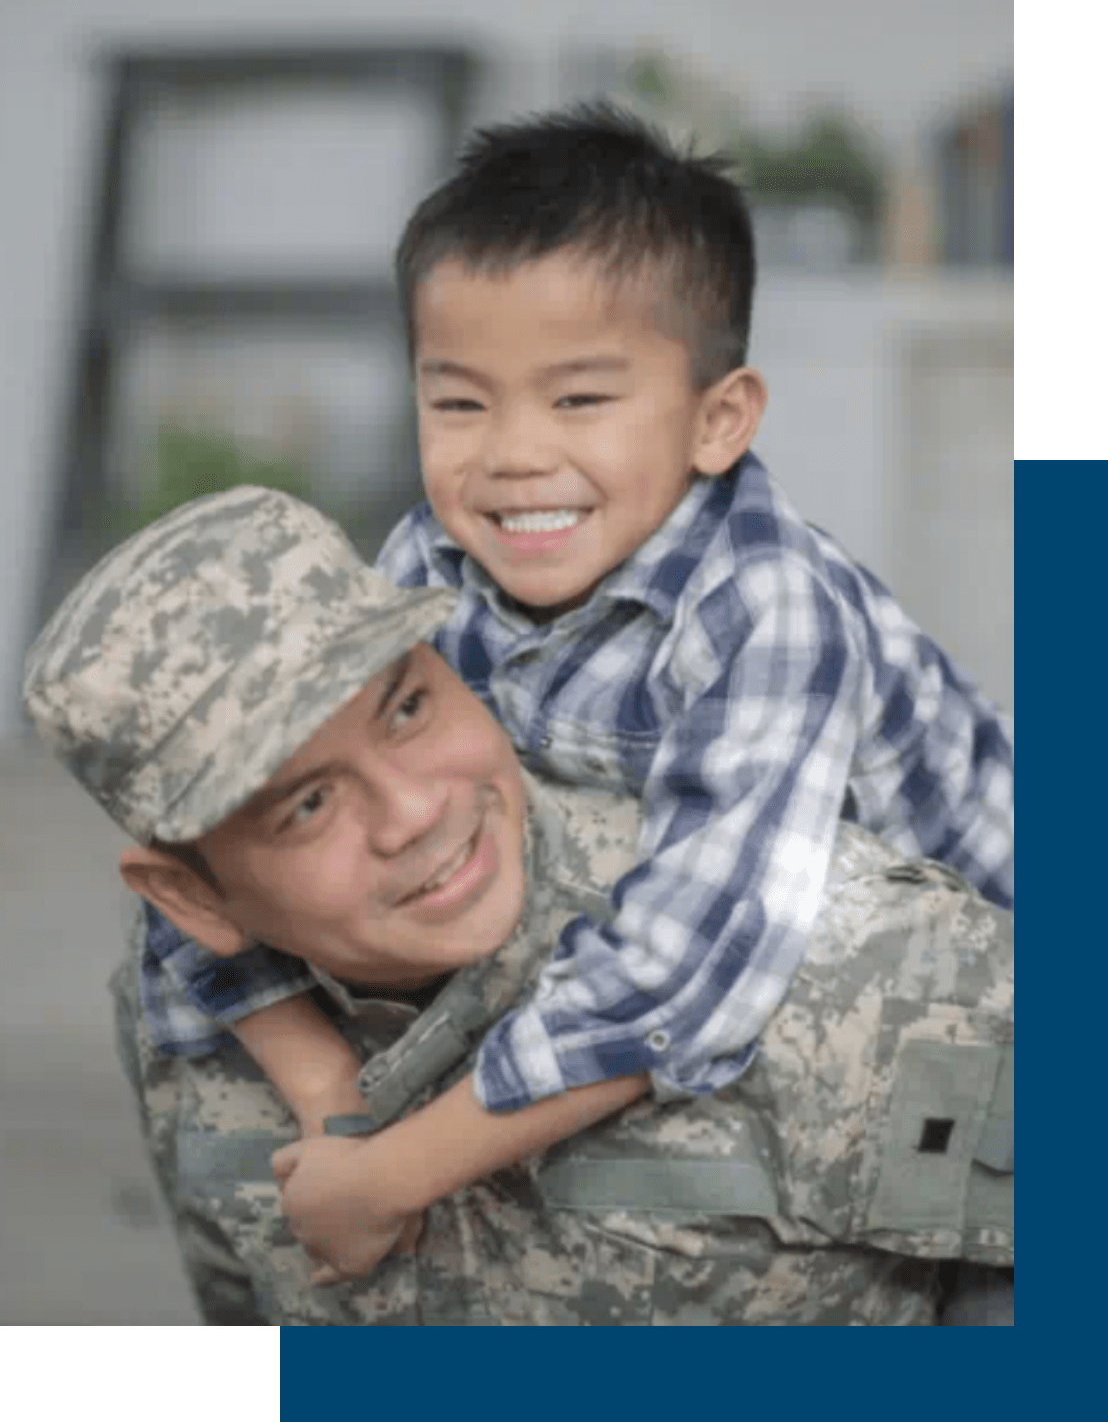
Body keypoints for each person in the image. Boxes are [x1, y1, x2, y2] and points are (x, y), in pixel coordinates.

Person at [135, 104, 1014, 1259]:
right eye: (459, 400)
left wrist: (392, 1172)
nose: (510, 453)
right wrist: (328, 1092)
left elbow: (688, 961)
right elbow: (221, 836)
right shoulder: (427, 561)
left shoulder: (769, 607)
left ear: (718, 420)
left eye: (579, 399)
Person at [24, 488, 1013, 1326]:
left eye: (406, 706)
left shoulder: (857, 962)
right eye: (307, 803)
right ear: (191, 896)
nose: (413, 810)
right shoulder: (189, 1041)